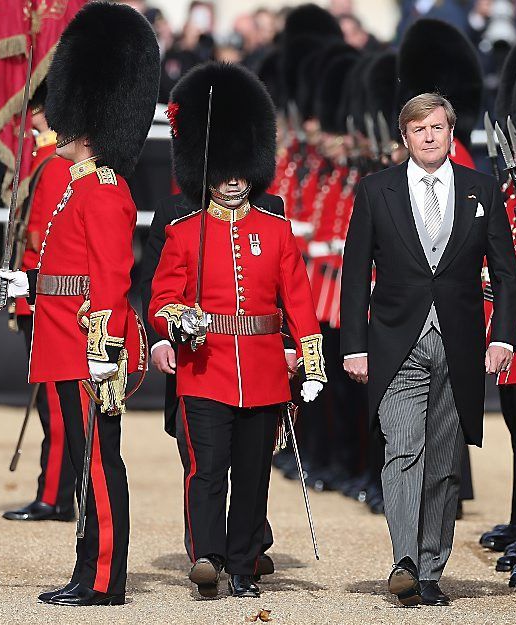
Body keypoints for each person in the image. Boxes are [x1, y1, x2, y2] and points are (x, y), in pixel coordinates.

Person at [0, 2, 159, 606]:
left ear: (81, 125)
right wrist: (22, 287)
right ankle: (88, 571)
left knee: (100, 467)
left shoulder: (105, 191)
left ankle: (106, 579)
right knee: (85, 468)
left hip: (89, 348)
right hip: (63, 341)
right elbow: (64, 275)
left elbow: (108, 283)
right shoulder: (76, 187)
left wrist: (105, 355)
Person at [150, 62, 326, 600]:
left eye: (240, 170)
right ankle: (207, 556)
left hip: (265, 369)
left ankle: (245, 568)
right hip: (206, 368)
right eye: (224, 169)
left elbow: (298, 299)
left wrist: (311, 362)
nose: (232, 179)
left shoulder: (275, 229)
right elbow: (161, 299)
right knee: (206, 471)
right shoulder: (184, 232)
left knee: (252, 476)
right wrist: (177, 322)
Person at [340, 92, 516, 606]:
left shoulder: (482, 189)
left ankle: (431, 566)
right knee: (402, 449)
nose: (429, 137)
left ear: (450, 133)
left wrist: (503, 336)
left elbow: (507, 276)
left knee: (444, 461)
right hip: (396, 341)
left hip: (461, 344)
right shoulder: (377, 190)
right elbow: (355, 277)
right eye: (419, 130)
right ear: (405, 138)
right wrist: (354, 346)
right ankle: (405, 559)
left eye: (437, 128)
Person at [1, 82, 76, 523]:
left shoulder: (51, 166)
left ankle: (55, 495)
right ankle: (57, 492)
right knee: (52, 404)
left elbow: (37, 236)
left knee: (55, 404)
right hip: (36, 293)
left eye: (36, 109)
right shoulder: (43, 160)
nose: (29, 116)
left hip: (44, 297)